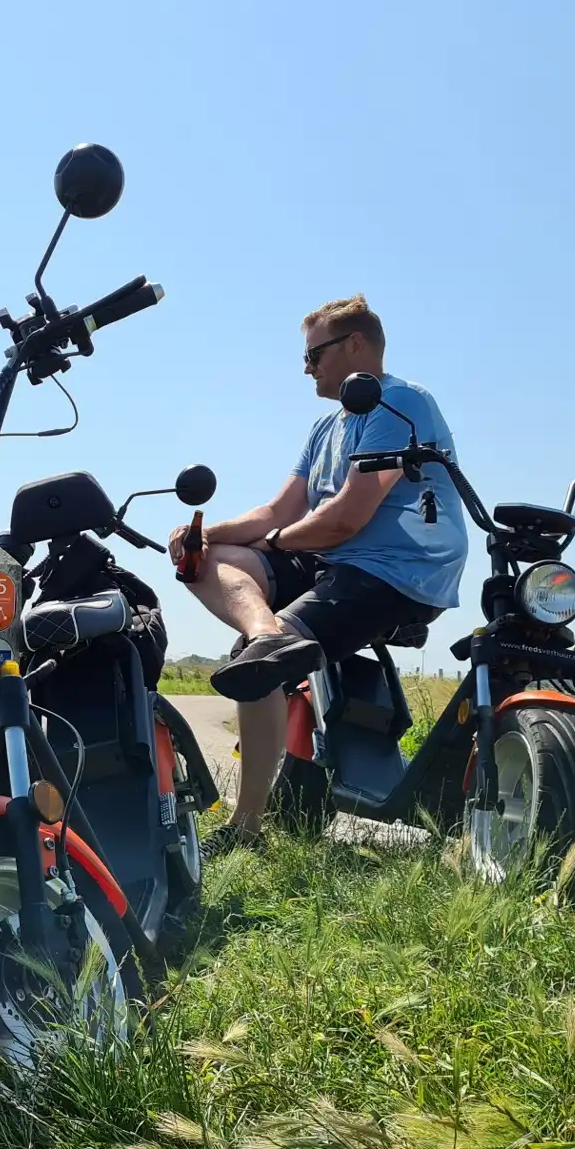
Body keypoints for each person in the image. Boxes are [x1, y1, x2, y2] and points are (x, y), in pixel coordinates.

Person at [171, 296, 467, 838]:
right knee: (209, 564)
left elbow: (344, 519)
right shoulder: (323, 428)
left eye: (314, 355)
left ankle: (246, 825)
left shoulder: (400, 405)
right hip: (335, 562)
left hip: (397, 570)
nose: (307, 369)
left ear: (355, 345)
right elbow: (278, 510)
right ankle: (268, 636)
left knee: (253, 667)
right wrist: (204, 534)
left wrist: (279, 542)